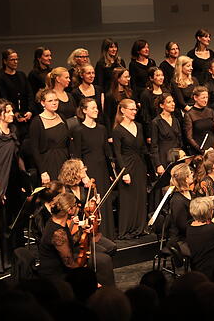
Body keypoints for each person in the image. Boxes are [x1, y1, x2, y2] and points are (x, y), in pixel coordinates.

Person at [37, 190, 115, 286]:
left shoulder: (57, 220)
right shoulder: (58, 233)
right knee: (104, 261)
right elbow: (69, 263)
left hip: (63, 264)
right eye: (75, 205)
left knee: (103, 258)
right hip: (56, 274)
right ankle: (105, 291)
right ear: (69, 210)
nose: (77, 206)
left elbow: (70, 241)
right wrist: (88, 280)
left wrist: (83, 231)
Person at [0, 99, 27, 264]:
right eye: (8, 112)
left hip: (15, 181)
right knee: (6, 223)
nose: (12, 114)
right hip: (2, 183)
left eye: (11, 111)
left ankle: (20, 259)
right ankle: (7, 260)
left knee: (18, 221)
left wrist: (24, 181)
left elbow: (17, 156)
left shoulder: (13, 130)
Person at [70, 98, 115, 239]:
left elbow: (107, 153)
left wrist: (111, 172)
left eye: (96, 107)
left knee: (104, 201)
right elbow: (77, 156)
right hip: (88, 171)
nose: (96, 110)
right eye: (93, 108)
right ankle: (94, 235)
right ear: (84, 110)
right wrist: (84, 176)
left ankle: (107, 235)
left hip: (102, 170)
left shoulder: (102, 129)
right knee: (92, 203)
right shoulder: (78, 130)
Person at [111, 99, 148, 239]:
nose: (134, 112)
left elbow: (143, 148)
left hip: (140, 165)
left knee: (140, 197)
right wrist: (124, 172)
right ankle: (127, 230)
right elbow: (117, 153)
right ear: (123, 110)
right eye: (131, 109)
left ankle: (140, 227)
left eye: (135, 109)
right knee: (128, 199)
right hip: (127, 166)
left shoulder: (139, 126)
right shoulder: (117, 130)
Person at [30, 89, 70, 185]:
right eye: (50, 101)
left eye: (56, 100)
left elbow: (68, 142)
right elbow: (35, 149)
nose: (54, 103)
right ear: (43, 103)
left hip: (64, 161)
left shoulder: (61, 117)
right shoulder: (37, 122)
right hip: (48, 163)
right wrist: (43, 171)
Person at [0, 49, 33, 128]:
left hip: (26, 114)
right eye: (12, 60)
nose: (16, 62)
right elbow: (4, 98)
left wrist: (30, 111)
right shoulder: (1, 78)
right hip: (12, 117)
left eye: (17, 59)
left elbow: (30, 93)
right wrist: (14, 113)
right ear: (5, 61)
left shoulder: (21, 75)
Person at [149, 93, 183, 176]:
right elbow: (154, 146)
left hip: (176, 157)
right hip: (164, 158)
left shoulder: (175, 120)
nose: (173, 104)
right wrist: (158, 164)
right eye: (169, 102)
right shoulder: (156, 122)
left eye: (173, 101)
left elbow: (179, 140)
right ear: (162, 105)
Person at [184, 86, 214, 153]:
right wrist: (202, 151)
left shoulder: (210, 111)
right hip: (199, 149)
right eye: (203, 98)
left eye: (207, 97)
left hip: (213, 147)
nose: (206, 100)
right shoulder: (189, 114)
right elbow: (189, 137)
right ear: (195, 98)